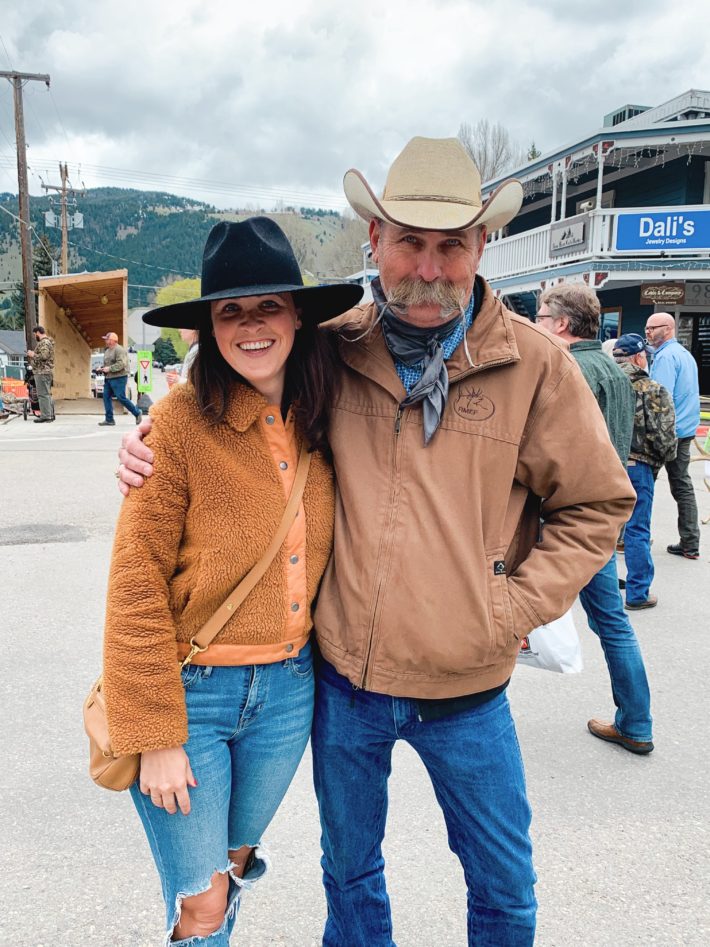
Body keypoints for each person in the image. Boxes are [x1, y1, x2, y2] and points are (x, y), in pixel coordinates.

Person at [119, 137, 636, 946]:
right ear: (374, 241)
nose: (428, 268)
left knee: (505, 888)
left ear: (480, 246)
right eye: (410, 243)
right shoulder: (336, 349)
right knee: (350, 875)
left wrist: (511, 607)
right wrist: (155, 426)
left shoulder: (535, 367)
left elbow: (599, 503)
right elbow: (240, 363)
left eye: (450, 246)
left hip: (470, 690)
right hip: (346, 688)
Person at [103, 216, 362, 946]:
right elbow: (135, 587)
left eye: (268, 305)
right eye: (230, 311)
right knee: (202, 902)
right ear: (209, 328)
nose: (251, 325)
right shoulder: (176, 423)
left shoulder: (327, 409)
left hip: (287, 694)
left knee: (233, 869)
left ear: (298, 314)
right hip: (193, 698)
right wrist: (155, 735)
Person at [537, 285, 654, 755]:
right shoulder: (614, 368)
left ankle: (471, 717)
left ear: (562, 324)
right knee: (614, 624)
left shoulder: (566, 368)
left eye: (542, 316)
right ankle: (637, 721)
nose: (538, 323)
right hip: (601, 517)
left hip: (563, 520)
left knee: (505, 611)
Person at [612, 333, 677, 608]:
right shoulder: (652, 389)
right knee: (637, 529)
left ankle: (604, 589)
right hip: (638, 466)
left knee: (604, 528)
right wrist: (661, 461)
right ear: (639, 357)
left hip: (606, 464)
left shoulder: (606, 385)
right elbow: (665, 437)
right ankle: (638, 593)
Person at [644, 312, 701, 559]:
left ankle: (632, 537)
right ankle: (690, 542)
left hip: (667, 433)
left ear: (667, 329)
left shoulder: (665, 357)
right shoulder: (685, 355)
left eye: (651, 328)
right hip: (686, 429)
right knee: (682, 485)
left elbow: (659, 401)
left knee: (642, 484)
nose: (647, 332)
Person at [97, 331, 143, 426]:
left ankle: (137, 413)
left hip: (119, 378)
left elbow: (121, 364)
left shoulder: (119, 350)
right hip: (109, 378)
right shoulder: (107, 351)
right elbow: (108, 365)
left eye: (107, 339)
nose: (105, 341)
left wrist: (109, 368)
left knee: (121, 397)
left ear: (112, 340)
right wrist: (101, 368)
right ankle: (109, 419)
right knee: (106, 397)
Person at [26, 325, 55, 423]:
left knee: (43, 395)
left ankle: (46, 416)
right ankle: (48, 415)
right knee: (45, 394)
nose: (35, 336)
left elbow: (44, 356)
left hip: (42, 372)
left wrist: (32, 354)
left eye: (35, 334)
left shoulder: (44, 342)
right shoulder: (46, 342)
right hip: (43, 372)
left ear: (38, 332)